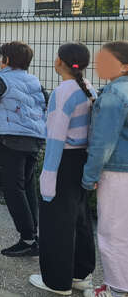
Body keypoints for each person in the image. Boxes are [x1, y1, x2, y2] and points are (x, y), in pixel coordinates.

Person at [29, 43, 97, 294]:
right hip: (82, 160)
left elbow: (56, 138)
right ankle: (81, 273)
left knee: (56, 221)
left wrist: (47, 178)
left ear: (60, 62)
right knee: (79, 218)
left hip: (63, 161)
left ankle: (57, 281)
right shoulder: (89, 88)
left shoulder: (63, 92)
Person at [0, 41, 46, 257]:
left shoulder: (0, 79)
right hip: (36, 138)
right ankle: (33, 236)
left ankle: (27, 238)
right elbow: (42, 105)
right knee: (27, 186)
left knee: (12, 189)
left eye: (1, 56)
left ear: (7, 60)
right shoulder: (34, 80)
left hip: (11, 138)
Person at [82, 41, 128, 297]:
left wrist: (90, 176)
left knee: (112, 232)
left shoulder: (113, 93)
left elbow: (102, 141)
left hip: (117, 171)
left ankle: (117, 289)